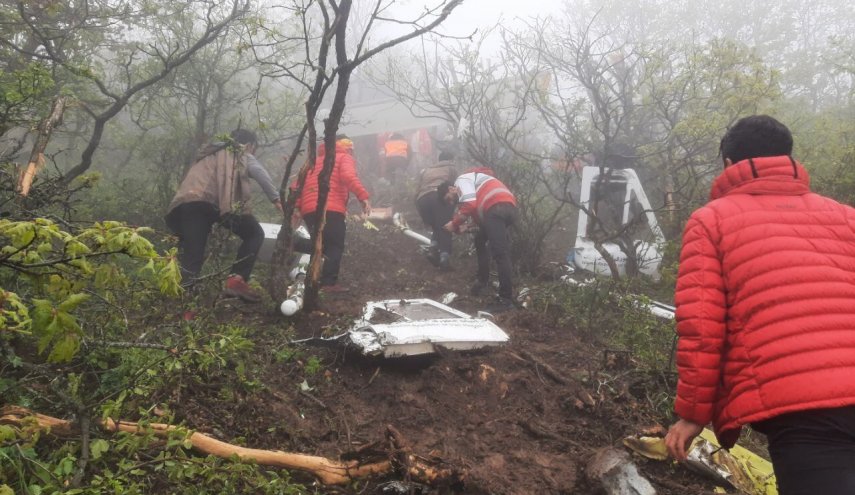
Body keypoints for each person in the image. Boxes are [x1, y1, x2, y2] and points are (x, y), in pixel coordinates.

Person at [664, 115, 855, 495]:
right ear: (787, 157)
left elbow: (702, 326)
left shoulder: (711, 221)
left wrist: (692, 415)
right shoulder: (847, 218)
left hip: (804, 411)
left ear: (728, 164)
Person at [166, 129, 281, 303]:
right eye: (253, 150)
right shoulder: (239, 151)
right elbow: (259, 173)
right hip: (211, 203)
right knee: (254, 233)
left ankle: (183, 303)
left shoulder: (208, 154)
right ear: (249, 145)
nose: (252, 153)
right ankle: (236, 280)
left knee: (193, 254)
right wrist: (277, 200)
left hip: (186, 203)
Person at [292, 135, 370, 292]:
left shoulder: (312, 162)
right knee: (334, 245)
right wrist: (363, 197)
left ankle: (294, 244)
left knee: (321, 244)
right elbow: (348, 176)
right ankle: (328, 284)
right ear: (346, 147)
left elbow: (296, 186)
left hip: (309, 210)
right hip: (331, 208)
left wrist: (297, 209)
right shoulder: (343, 157)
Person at [440, 170, 519, 312]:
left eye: (449, 198)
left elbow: (470, 205)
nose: (452, 202)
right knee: (480, 240)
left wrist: (454, 223)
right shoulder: (475, 184)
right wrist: (466, 226)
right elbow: (482, 218)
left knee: (500, 254)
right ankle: (482, 282)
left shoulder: (461, 180)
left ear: (451, 188)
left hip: (496, 207)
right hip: (507, 207)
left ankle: (505, 300)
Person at [414, 149, 458, 271]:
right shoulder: (451, 168)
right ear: (451, 160)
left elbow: (418, 189)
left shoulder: (427, 170)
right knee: (445, 227)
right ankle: (444, 259)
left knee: (437, 227)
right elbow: (455, 187)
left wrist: (418, 206)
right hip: (438, 197)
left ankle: (433, 249)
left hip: (422, 199)